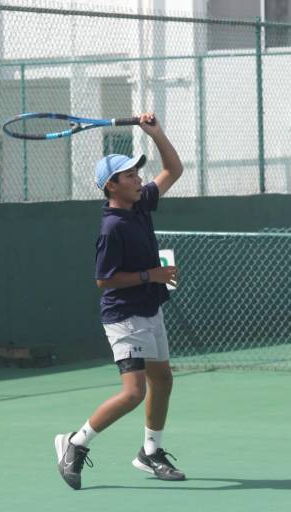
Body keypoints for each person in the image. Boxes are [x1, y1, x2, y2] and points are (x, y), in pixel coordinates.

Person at [54, 112, 185, 490]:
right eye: (130, 175)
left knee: (163, 379)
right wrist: (150, 275)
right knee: (133, 392)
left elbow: (173, 170)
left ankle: (150, 453)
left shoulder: (140, 204)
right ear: (111, 186)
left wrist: (155, 133)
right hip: (125, 317)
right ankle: (75, 443)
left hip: (150, 308)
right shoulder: (111, 228)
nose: (139, 178)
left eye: (137, 173)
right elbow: (104, 279)